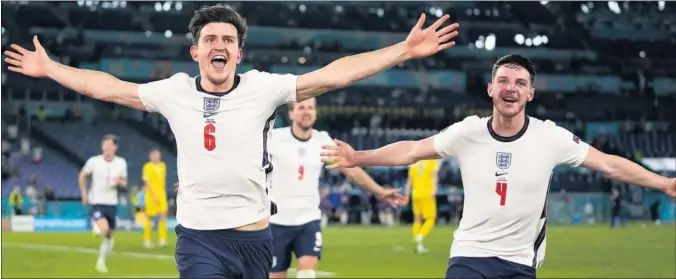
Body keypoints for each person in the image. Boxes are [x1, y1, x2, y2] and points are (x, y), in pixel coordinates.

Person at [4, 4, 459, 278]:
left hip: (255, 238)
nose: (218, 44)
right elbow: (106, 86)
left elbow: (333, 75)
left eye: (227, 39)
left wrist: (403, 50)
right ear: (196, 51)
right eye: (209, 38)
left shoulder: (264, 87)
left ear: (239, 52)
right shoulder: (173, 91)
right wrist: (52, 70)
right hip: (199, 238)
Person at [320, 54, 676, 279]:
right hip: (471, 255)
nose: (511, 88)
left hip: (522, 262)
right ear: (491, 89)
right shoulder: (468, 132)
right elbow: (412, 150)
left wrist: (663, 184)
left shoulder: (550, 138)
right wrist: (358, 157)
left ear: (530, 94)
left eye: (520, 83)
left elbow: (609, 165)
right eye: (504, 81)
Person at [267, 98, 404, 279]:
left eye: (310, 107)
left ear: (315, 112)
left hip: (309, 219)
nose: (306, 111)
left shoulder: (322, 141)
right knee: (275, 275)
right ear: (291, 113)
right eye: (301, 108)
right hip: (277, 221)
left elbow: (351, 170)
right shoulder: (275, 139)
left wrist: (379, 191)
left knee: (307, 271)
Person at [78, 135, 128, 273]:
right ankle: (97, 225)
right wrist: (84, 194)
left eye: (110, 145)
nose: (107, 148)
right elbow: (82, 175)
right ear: (102, 147)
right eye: (105, 145)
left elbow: (125, 183)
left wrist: (119, 182)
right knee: (104, 229)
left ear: (115, 148)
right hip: (97, 201)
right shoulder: (94, 161)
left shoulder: (121, 163)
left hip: (111, 203)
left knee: (109, 235)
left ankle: (101, 261)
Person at [404, 159, 441, 254]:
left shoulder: (414, 163)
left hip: (415, 194)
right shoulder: (432, 161)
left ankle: (419, 245)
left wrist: (407, 194)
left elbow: (409, 180)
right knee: (431, 218)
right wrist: (434, 189)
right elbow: (434, 176)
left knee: (417, 219)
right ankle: (420, 235)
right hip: (427, 193)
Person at [141, 148, 169, 248]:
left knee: (163, 216)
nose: (156, 157)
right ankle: (147, 240)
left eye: (158, 155)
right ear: (151, 156)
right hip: (151, 195)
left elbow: (163, 181)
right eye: (154, 155)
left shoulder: (163, 165)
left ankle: (162, 239)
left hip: (161, 195)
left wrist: (163, 194)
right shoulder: (147, 167)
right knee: (149, 217)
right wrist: (153, 196)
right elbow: (147, 183)